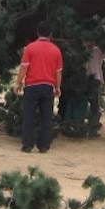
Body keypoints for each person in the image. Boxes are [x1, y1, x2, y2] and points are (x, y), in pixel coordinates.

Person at [15, 21, 63, 153]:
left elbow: (24, 67)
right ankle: (44, 145)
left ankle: (27, 145)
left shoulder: (30, 48)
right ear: (51, 34)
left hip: (32, 86)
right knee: (47, 117)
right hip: (48, 86)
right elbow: (58, 72)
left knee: (29, 116)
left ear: (37, 32)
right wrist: (58, 87)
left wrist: (18, 82)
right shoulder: (56, 50)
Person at [86, 44, 105, 137]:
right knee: (95, 106)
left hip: (86, 78)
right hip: (94, 80)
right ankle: (93, 130)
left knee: (83, 103)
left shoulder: (84, 50)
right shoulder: (98, 50)